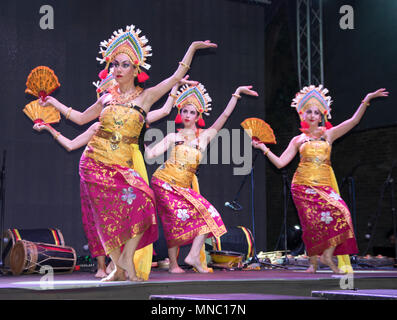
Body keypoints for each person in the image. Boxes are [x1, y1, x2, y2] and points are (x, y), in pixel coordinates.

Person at [34, 24, 217, 281]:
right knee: (107, 219)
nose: (117, 70)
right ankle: (119, 267)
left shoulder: (146, 97)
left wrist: (193, 49)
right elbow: (79, 118)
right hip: (94, 163)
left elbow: (176, 77)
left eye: (123, 65)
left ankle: (124, 264)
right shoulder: (106, 99)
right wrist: (53, 102)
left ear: (136, 69)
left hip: (121, 166)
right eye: (114, 65)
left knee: (144, 206)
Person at [252, 85, 388, 273]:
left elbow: (354, 121)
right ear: (302, 114)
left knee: (342, 213)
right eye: (309, 111)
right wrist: (263, 149)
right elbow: (281, 163)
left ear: (322, 115)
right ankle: (313, 263)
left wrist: (367, 99)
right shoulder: (298, 140)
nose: (313, 115)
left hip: (324, 185)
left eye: (317, 112)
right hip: (302, 186)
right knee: (311, 224)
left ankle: (326, 255)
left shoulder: (328, 134)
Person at [145, 82, 258, 273]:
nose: (188, 115)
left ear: (199, 115)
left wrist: (236, 94)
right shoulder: (174, 136)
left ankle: (190, 257)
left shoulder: (204, 137)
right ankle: (179, 263)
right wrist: (140, 140)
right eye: (185, 111)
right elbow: (151, 155)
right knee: (174, 222)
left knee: (209, 215)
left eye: (192, 112)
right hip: (163, 182)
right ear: (180, 113)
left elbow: (224, 116)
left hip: (183, 186)